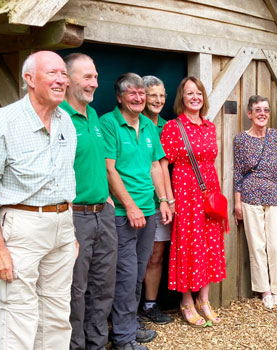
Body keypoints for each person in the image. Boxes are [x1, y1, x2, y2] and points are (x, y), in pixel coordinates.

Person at [0, 50, 78, 350]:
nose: (61, 80)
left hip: (61, 225)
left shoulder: (65, 123)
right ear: (29, 79)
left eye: (63, 74)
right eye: (52, 73)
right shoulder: (4, 121)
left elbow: (64, 180)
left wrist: (69, 232)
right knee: (17, 313)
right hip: (22, 227)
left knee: (57, 313)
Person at [101, 73, 172, 350]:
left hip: (149, 210)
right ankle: (122, 339)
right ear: (119, 97)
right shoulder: (109, 124)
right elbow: (109, 169)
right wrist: (129, 206)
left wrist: (164, 200)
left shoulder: (148, 125)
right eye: (132, 93)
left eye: (142, 93)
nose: (139, 98)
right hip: (122, 213)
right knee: (125, 274)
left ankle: (129, 325)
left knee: (139, 272)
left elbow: (156, 166)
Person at [60, 53, 118, 350]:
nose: (94, 83)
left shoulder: (93, 116)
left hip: (102, 214)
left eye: (95, 77)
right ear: (67, 80)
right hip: (76, 217)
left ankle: (97, 345)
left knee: (103, 288)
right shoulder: (59, 119)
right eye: (87, 77)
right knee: (75, 289)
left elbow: (99, 164)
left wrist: (106, 197)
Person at [160, 76, 226, 327]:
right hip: (186, 194)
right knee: (188, 246)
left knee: (209, 244)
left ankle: (204, 300)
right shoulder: (173, 127)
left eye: (199, 93)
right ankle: (186, 301)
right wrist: (169, 198)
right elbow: (164, 164)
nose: (195, 97)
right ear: (182, 98)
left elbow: (210, 160)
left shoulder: (210, 127)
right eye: (190, 93)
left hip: (209, 194)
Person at [233, 95, 277, 309]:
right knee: (257, 245)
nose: (262, 113)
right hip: (250, 195)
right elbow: (238, 172)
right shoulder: (241, 139)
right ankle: (265, 290)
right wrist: (237, 202)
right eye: (257, 110)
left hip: (275, 195)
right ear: (249, 114)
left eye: (265, 110)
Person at [138, 75, 174, 324]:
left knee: (157, 254)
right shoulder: (131, 123)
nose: (158, 100)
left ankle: (149, 305)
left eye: (162, 96)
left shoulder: (168, 126)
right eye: (153, 95)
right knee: (135, 256)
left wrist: (169, 199)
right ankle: (128, 308)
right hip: (138, 201)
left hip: (163, 201)